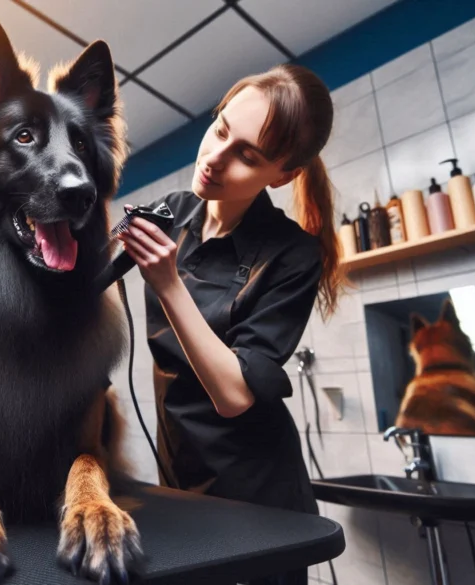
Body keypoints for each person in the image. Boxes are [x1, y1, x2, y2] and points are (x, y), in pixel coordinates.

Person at [117, 63, 344, 585]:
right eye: (220, 130)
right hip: (179, 478)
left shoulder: (292, 255)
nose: (215, 159)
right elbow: (80, 281)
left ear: (282, 175)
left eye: (247, 156)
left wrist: (168, 283)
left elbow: (234, 395)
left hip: (260, 498)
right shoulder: (172, 211)